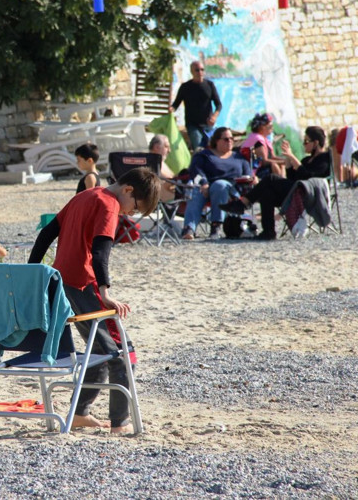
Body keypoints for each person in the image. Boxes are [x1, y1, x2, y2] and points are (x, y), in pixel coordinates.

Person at [28, 168, 160, 434]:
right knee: (122, 352)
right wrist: (106, 292)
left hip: (63, 283)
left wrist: (32, 272)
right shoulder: (109, 205)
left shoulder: (85, 195)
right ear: (128, 190)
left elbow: (46, 234)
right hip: (84, 285)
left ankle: (79, 414)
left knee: (97, 351)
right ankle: (120, 423)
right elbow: (100, 253)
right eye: (134, 208)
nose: (129, 214)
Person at [221, 126, 331, 240]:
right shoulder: (306, 160)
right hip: (296, 193)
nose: (304, 144)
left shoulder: (324, 159)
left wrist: (292, 156)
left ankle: (243, 203)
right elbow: (292, 178)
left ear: (316, 143)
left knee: (271, 178)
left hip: (311, 195)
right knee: (267, 193)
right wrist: (288, 158)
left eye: (306, 141)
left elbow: (309, 178)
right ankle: (268, 232)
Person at [181, 127, 253, 241]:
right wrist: (203, 183)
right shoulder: (204, 155)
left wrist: (253, 179)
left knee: (219, 185)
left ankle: (216, 226)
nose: (229, 141)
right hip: (206, 186)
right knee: (196, 190)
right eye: (225, 139)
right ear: (216, 141)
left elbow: (248, 175)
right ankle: (189, 228)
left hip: (230, 189)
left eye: (231, 138)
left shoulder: (239, 158)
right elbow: (195, 171)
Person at [169, 60, 222, 151]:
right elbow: (176, 104)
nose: (200, 72)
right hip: (192, 125)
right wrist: (171, 109)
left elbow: (218, 105)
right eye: (197, 70)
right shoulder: (185, 87)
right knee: (199, 148)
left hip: (207, 124)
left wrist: (214, 116)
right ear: (192, 72)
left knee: (212, 149)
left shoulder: (209, 85)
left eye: (202, 69)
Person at [240, 113, 285, 178]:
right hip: (254, 171)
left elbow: (273, 157)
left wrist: (285, 161)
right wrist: (281, 162)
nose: (272, 128)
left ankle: (284, 183)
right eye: (270, 126)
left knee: (282, 164)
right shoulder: (257, 139)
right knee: (274, 164)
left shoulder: (265, 139)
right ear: (262, 127)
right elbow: (264, 161)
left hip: (263, 169)